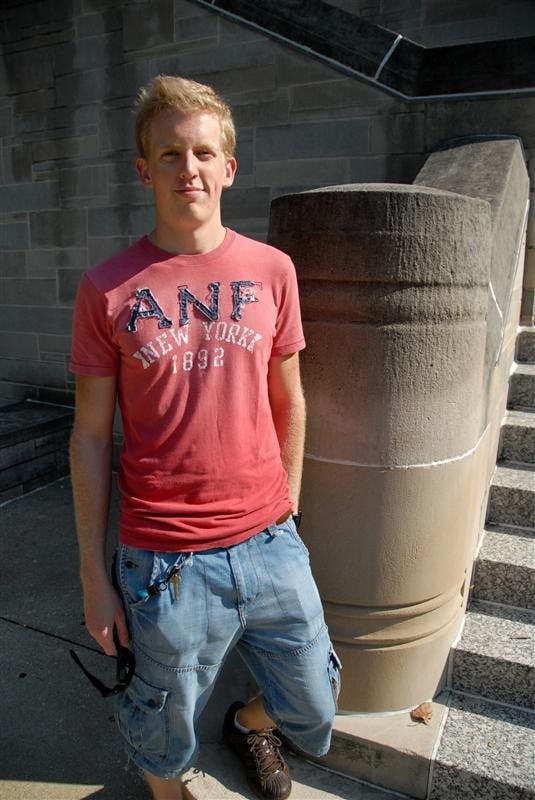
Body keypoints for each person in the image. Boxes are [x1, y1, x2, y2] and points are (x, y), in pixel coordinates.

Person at [69, 74, 340, 800]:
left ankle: (250, 723)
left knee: (314, 703)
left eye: (200, 153)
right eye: (168, 154)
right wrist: (97, 579)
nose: (186, 168)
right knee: (163, 718)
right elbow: (91, 436)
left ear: (228, 167)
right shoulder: (108, 288)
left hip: (268, 541)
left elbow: (290, 399)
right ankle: (167, 790)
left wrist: (290, 510)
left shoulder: (271, 270)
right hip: (163, 560)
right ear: (144, 169)